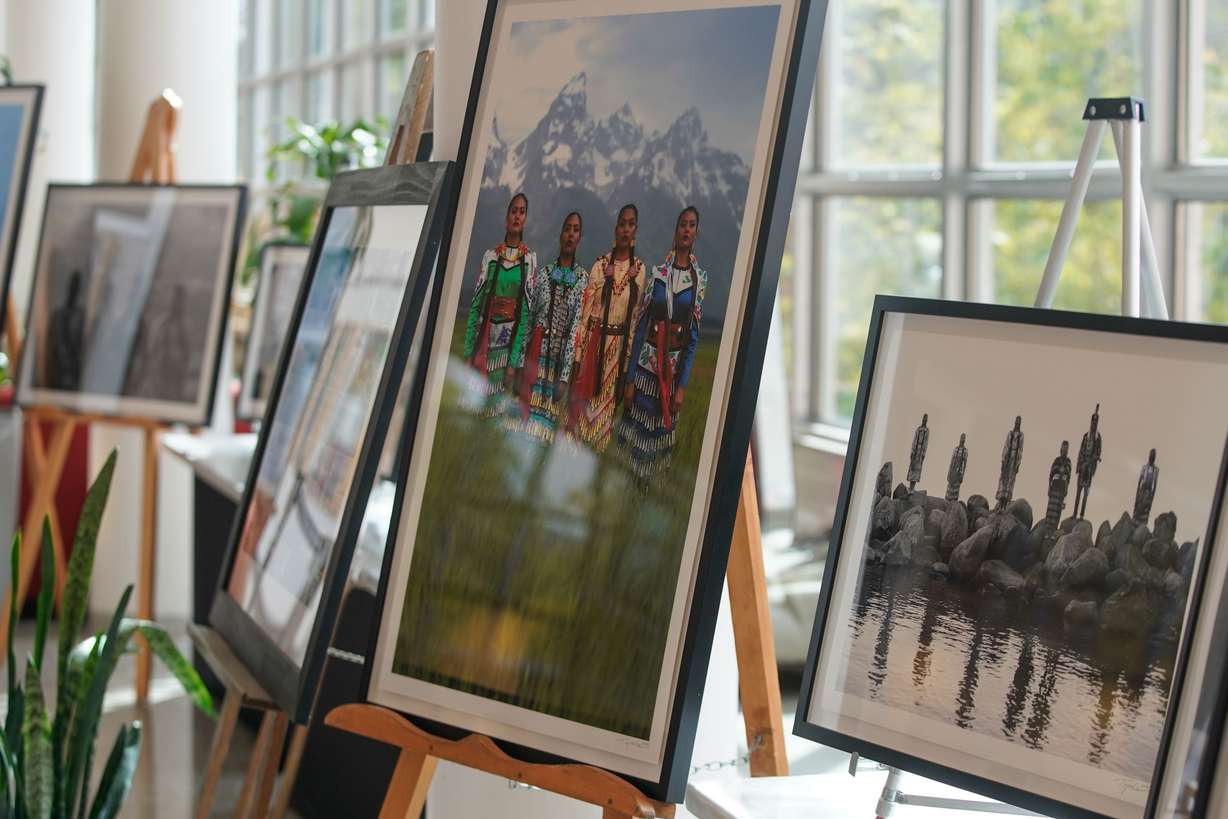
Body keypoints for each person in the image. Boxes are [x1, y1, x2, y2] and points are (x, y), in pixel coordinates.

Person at [618, 206, 707, 481]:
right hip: (645, 370)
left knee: (656, 444)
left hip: (670, 374)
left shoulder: (699, 282)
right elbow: (641, 327)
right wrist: (631, 378)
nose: (686, 230)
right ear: (676, 230)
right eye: (683, 224)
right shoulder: (658, 275)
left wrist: (681, 387)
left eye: (692, 225)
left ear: (696, 233)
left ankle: (646, 493)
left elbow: (692, 341)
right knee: (633, 438)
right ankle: (623, 490)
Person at [570, 204, 647, 452]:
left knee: (605, 413)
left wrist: (626, 367)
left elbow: (635, 319)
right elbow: (586, 314)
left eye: (631, 224)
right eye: (622, 224)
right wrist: (578, 356)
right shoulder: (600, 265)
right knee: (583, 408)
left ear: (635, 229)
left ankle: (595, 460)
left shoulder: (640, 271)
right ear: (616, 229)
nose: (626, 229)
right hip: (595, 342)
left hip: (618, 349)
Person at [515, 212, 589, 442]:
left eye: (575, 230)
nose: (570, 234)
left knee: (545, 428)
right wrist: (519, 364)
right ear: (560, 235)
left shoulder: (582, 279)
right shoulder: (545, 274)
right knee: (523, 421)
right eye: (567, 228)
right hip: (536, 358)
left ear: (580, 238)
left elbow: (575, 328)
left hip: (557, 364)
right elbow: (529, 322)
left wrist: (564, 377)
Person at [463, 193, 537, 412]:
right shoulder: (491, 256)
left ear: (525, 219)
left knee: (495, 408)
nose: (517, 216)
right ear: (506, 218)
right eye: (513, 211)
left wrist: (514, 361)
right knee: (474, 405)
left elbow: (525, 313)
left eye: (522, 212)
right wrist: (469, 349)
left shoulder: (529, 260)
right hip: (485, 337)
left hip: (508, 338)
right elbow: (476, 305)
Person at [1075, 404, 1103, 519]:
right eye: (1092, 422)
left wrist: (1093, 461)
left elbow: (1098, 452)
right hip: (1083, 464)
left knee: (1086, 491)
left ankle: (1081, 514)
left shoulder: (1098, 438)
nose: (1093, 424)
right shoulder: (1086, 436)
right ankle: (1075, 513)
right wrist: (1079, 465)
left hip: (1090, 466)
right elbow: (1081, 450)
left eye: (1095, 423)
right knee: (1078, 490)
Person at [997, 416, 1024, 510]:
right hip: (1008, 459)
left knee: (1010, 481)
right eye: (1016, 422)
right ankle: (1000, 503)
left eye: (1019, 422)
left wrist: (1018, 464)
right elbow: (1006, 446)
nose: (1017, 424)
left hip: (1014, 460)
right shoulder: (1010, 434)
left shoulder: (1021, 435)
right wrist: (1003, 460)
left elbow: (1020, 450)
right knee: (1003, 479)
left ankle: (1005, 504)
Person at [1046, 440, 1072, 528]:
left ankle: (1054, 529)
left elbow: (1068, 478)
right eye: (1063, 448)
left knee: (1058, 510)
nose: (1064, 450)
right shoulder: (1056, 460)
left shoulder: (1068, 462)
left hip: (1062, 487)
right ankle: (1047, 529)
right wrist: (1049, 487)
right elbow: (1051, 475)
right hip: (1054, 486)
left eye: (1066, 449)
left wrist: (1066, 490)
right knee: (1050, 509)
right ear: (1061, 449)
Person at [1134, 448, 1159, 525]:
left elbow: (1155, 483)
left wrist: (1152, 494)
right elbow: (1140, 480)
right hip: (1142, 489)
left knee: (1146, 507)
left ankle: (1143, 523)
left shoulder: (1156, 470)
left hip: (1149, 490)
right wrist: (1138, 492)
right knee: (1138, 505)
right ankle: (1135, 520)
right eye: (1151, 455)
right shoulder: (1145, 467)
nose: (1151, 457)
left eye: (1153, 456)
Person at [908, 414, 929, 491]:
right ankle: (910, 486)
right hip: (916, 450)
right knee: (912, 467)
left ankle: (913, 487)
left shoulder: (927, 431)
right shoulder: (918, 429)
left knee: (917, 469)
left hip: (920, 453)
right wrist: (912, 451)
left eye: (926, 420)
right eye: (924, 419)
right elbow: (915, 440)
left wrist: (923, 453)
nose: (924, 421)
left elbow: (926, 443)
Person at [945, 433, 968, 502]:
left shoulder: (965, 451)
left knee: (955, 489)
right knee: (949, 487)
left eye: (963, 438)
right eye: (961, 438)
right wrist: (949, 473)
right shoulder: (956, 449)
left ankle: (953, 503)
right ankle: (946, 501)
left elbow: (964, 464)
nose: (962, 440)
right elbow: (952, 461)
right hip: (952, 471)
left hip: (959, 473)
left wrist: (961, 475)